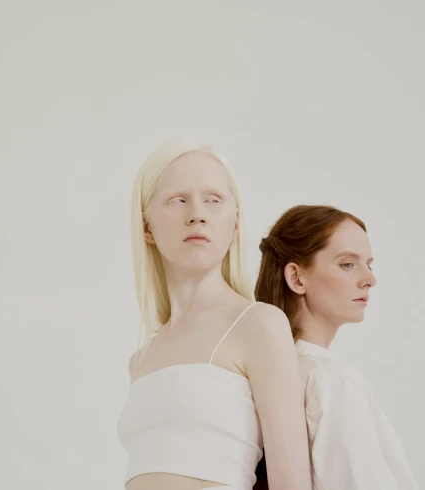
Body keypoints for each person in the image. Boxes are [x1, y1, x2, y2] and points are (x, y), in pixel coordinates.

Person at [116, 140, 312, 490]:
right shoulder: (141, 360)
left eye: (213, 200)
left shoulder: (258, 325)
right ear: (146, 226)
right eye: (178, 200)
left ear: (234, 223)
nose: (197, 214)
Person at [253, 205, 417, 490]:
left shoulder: (259, 373)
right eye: (348, 264)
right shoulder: (331, 382)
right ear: (296, 278)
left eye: (369, 264)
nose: (370, 279)